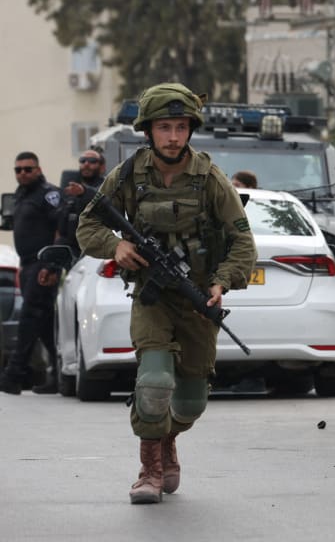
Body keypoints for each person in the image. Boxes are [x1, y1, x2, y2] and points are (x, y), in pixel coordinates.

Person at [77, 83, 257, 505]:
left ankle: (167, 439)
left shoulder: (210, 179)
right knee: (155, 382)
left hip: (197, 301)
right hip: (151, 299)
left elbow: (243, 243)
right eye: (164, 127)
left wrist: (221, 281)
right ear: (148, 131)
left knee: (191, 403)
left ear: (190, 130)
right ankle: (150, 470)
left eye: (180, 127)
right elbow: (87, 226)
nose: (173, 136)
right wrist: (116, 246)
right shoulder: (126, 176)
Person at [0, 152, 62, 395]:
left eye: (28, 169)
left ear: (38, 169)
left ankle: (13, 375)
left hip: (42, 264)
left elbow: (60, 229)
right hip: (26, 265)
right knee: (44, 323)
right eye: (18, 170)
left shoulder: (49, 194)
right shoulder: (21, 195)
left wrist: (52, 266)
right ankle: (57, 375)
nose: (23, 173)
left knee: (28, 318)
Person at [55, 149, 107, 257]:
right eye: (83, 160)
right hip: (71, 249)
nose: (86, 164)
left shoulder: (107, 187)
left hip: (96, 249)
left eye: (92, 161)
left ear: (102, 167)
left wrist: (84, 193)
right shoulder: (70, 188)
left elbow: (105, 205)